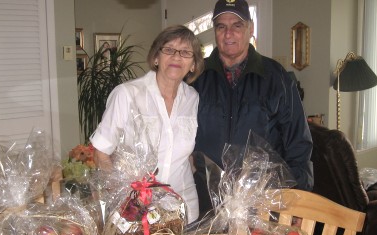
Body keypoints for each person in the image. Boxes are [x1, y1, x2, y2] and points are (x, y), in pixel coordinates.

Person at [192, 0, 313, 191]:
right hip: (205, 198)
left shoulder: (276, 77)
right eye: (221, 26)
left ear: (251, 28)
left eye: (237, 25)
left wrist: (299, 200)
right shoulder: (196, 77)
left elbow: (298, 143)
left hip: (263, 199)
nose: (228, 34)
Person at [90, 25, 205, 223]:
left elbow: (186, 155)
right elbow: (101, 151)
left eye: (186, 52)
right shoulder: (127, 94)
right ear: (156, 58)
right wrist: (125, 199)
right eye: (169, 49)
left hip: (184, 207)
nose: (177, 57)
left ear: (193, 64)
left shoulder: (192, 98)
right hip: (137, 211)